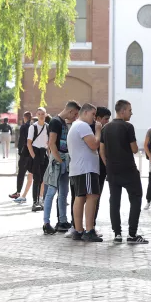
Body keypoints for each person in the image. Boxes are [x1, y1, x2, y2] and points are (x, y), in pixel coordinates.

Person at [100, 100, 148, 244]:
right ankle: (132, 234)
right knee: (136, 198)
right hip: (128, 170)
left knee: (114, 201)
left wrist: (108, 165)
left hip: (112, 170)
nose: (131, 113)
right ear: (123, 111)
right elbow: (134, 149)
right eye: (130, 110)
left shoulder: (105, 128)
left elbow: (102, 151)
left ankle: (117, 234)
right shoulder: (128, 127)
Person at [42, 101, 80, 234]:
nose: (75, 117)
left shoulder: (62, 122)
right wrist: (59, 161)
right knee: (51, 193)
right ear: (70, 111)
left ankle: (62, 220)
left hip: (64, 160)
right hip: (57, 161)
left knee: (64, 193)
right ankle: (46, 223)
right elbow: (52, 144)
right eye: (75, 114)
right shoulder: (55, 122)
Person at [67, 103, 103, 242]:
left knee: (80, 197)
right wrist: (98, 131)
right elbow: (94, 144)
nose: (94, 118)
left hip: (78, 168)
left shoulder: (75, 125)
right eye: (93, 114)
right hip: (86, 168)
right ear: (86, 112)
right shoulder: (83, 126)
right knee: (92, 196)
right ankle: (89, 230)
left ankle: (78, 230)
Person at [27, 107, 49, 212]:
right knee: (36, 179)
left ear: (46, 115)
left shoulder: (48, 127)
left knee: (43, 179)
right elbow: (29, 143)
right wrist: (34, 156)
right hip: (36, 153)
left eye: (43, 114)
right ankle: (35, 202)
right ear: (37, 115)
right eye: (39, 114)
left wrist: (49, 155)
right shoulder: (33, 127)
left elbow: (49, 144)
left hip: (44, 154)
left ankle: (41, 200)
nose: (41, 116)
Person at [9, 112, 33, 203]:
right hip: (32, 153)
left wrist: (20, 151)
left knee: (21, 174)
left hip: (24, 153)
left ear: (25, 117)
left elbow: (21, 140)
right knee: (32, 175)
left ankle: (18, 192)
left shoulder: (24, 127)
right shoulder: (33, 126)